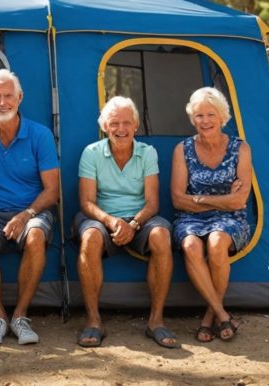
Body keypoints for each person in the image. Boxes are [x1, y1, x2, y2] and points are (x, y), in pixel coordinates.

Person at [74, 96, 177, 349]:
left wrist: (133, 224)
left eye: (126, 123)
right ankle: (94, 321)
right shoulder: (92, 153)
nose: (121, 129)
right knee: (90, 237)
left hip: (138, 218)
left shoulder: (147, 153)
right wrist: (112, 222)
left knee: (161, 235)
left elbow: (153, 203)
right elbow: (86, 202)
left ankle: (156, 321)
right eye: (114, 123)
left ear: (136, 126)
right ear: (105, 127)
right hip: (101, 217)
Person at [0, 69, 59, 345]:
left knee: (35, 236)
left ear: (20, 98)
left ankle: (20, 316)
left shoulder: (40, 135)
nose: (2, 102)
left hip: (33, 210)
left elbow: (52, 191)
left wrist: (26, 214)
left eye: (8, 95)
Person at [171, 87, 252, 343]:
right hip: (189, 219)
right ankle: (221, 314)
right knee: (191, 245)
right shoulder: (182, 150)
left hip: (231, 220)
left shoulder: (240, 148)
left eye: (210, 114)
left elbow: (240, 200)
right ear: (192, 118)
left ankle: (208, 317)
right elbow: (177, 199)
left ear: (222, 116)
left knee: (217, 242)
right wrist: (221, 200)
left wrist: (198, 199)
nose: (204, 121)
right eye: (199, 115)